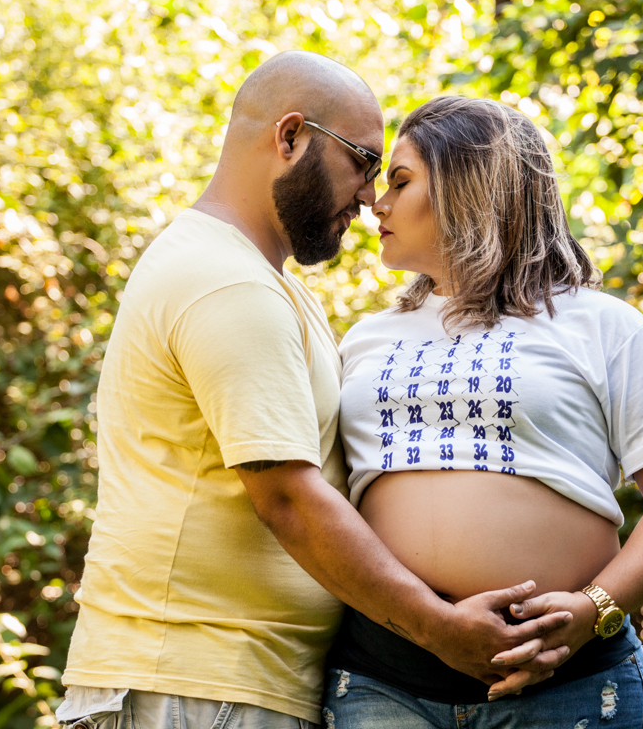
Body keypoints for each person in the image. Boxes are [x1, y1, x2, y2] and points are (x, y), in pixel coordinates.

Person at [56, 56, 572, 729]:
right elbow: (289, 499)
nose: (369, 196)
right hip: (193, 686)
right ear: (292, 137)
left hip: (225, 686)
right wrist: (440, 629)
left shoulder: (260, 280)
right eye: (362, 161)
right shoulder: (227, 283)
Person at [322, 95, 643, 728]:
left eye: (401, 181)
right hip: (384, 682)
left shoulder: (600, 324)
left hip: (566, 689)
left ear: (470, 187)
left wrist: (595, 611)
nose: (376, 201)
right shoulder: (365, 338)